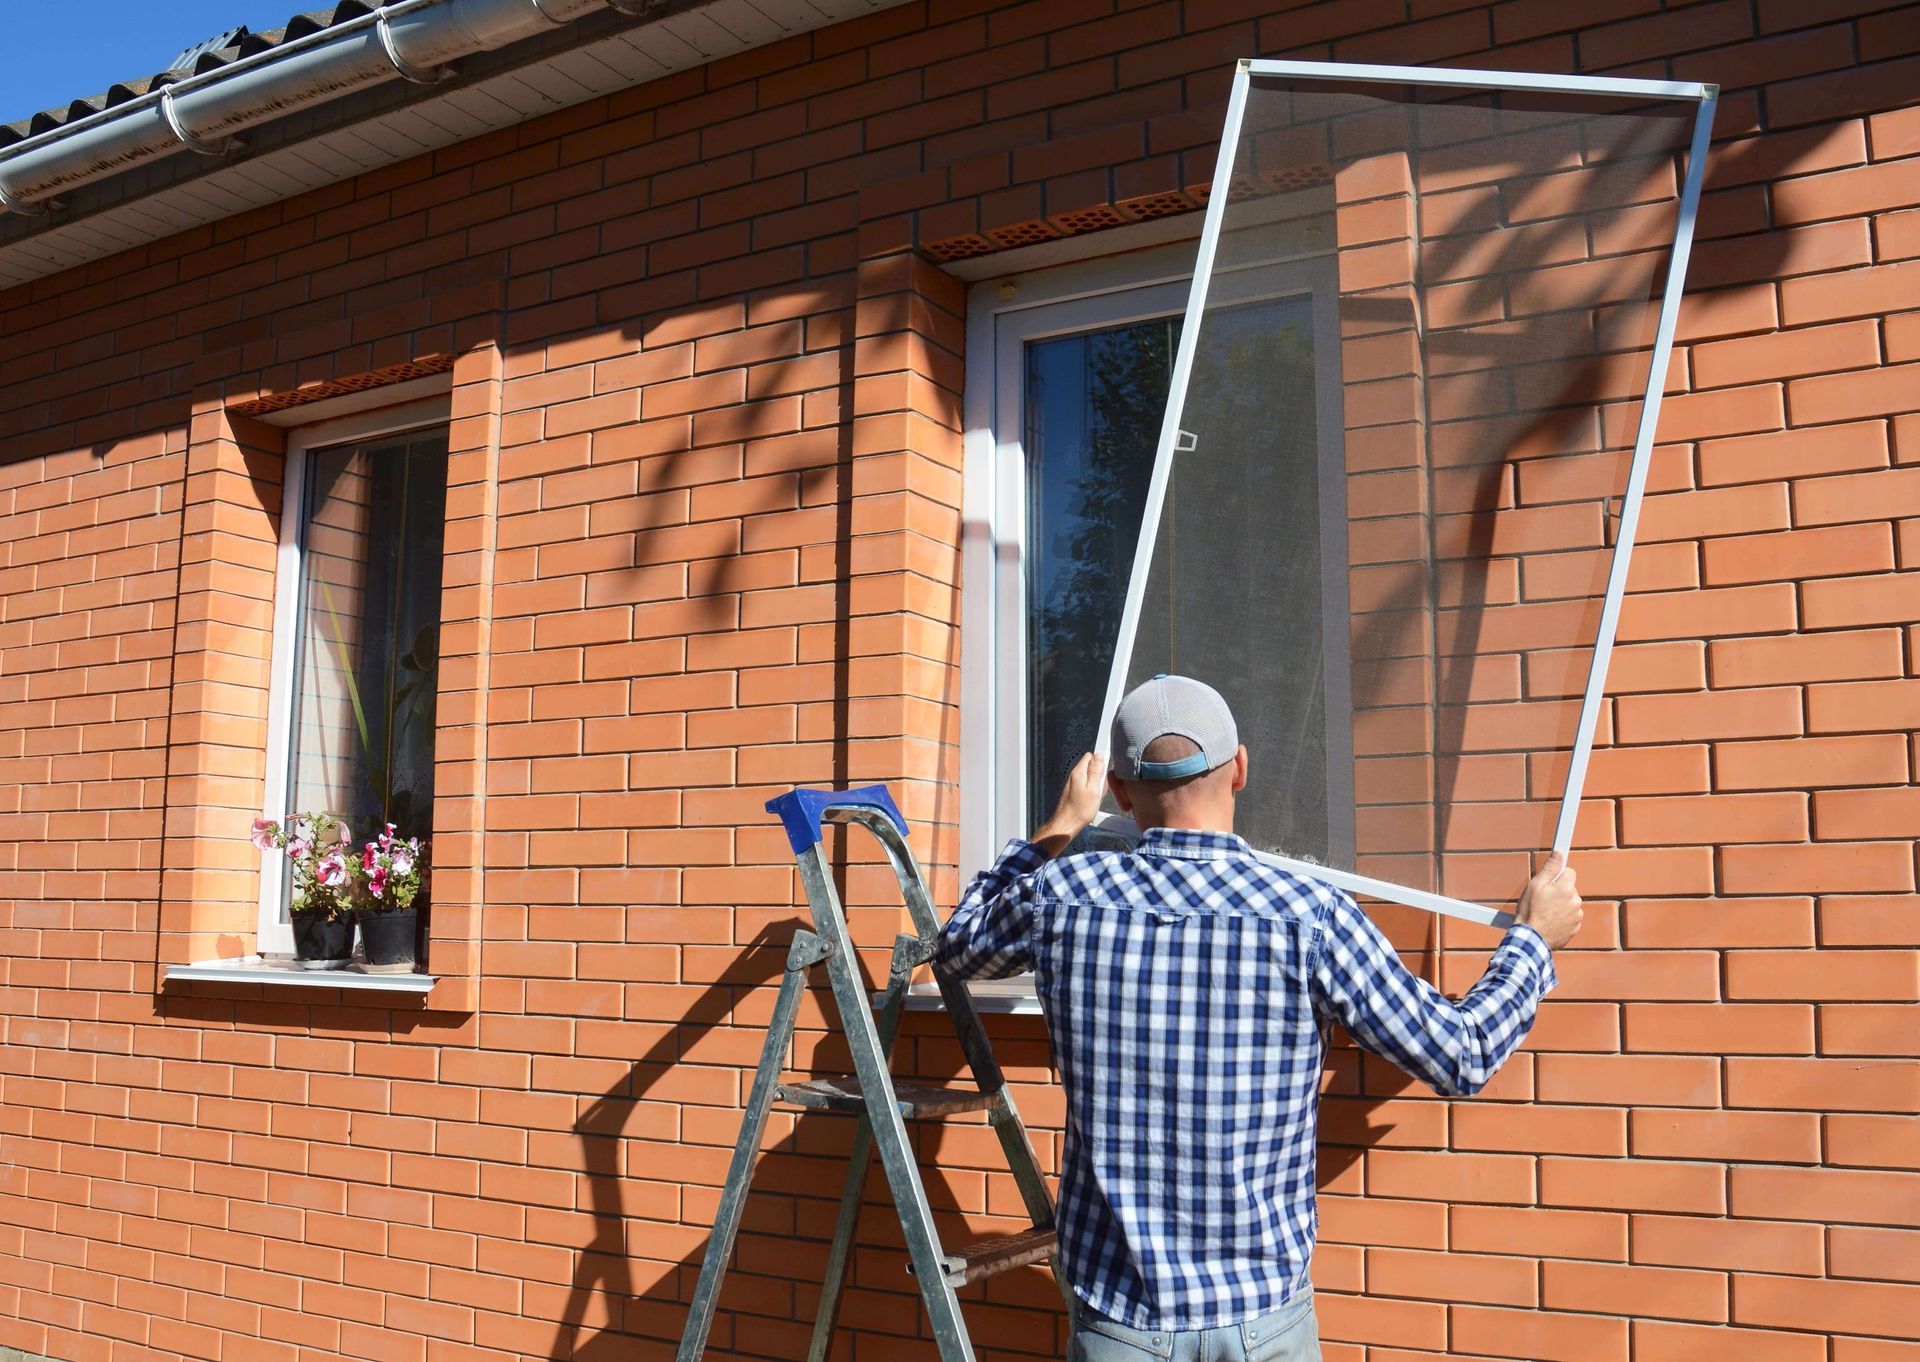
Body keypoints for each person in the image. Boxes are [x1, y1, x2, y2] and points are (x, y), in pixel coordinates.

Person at [933, 675, 1583, 1362]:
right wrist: (1532, 942)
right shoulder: (1310, 914)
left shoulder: (1062, 897)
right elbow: (1462, 1053)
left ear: (1120, 793)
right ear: (1239, 767)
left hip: (1122, 1320)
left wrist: (1060, 827)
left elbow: (955, 951)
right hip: (1264, 1324)